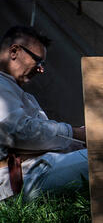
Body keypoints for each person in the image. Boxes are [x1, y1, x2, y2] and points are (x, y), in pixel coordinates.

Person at [0, 26, 88, 201]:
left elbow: (42, 142)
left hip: (32, 170)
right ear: (14, 51)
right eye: (37, 61)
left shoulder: (19, 92)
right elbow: (18, 132)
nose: (41, 69)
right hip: (14, 179)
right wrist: (77, 133)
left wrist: (80, 142)